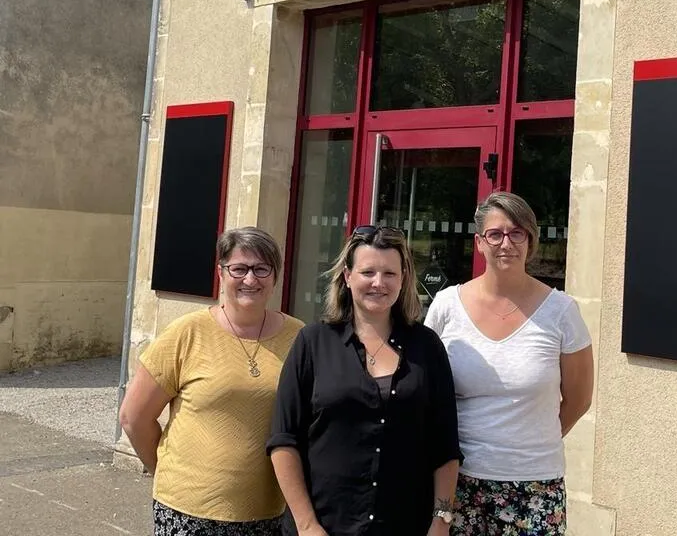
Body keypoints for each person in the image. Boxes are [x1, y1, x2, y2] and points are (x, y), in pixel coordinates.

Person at [268, 225, 462, 536]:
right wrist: (307, 525)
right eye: (368, 272)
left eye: (389, 273)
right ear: (347, 276)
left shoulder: (427, 347)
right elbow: (283, 439)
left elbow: (445, 445)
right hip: (323, 527)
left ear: (403, 279)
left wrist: (441, 522)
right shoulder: (313, 342)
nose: (378, 283)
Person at [424, 191, 595, 536]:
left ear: (530, 241)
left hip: (535, 487)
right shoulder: (446, 306)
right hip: (459, 481)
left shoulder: (561, 312)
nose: (506, 243)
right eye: (495, 234)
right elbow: (426, 391)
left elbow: (579, 399)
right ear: (479, 242)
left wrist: (530, 440)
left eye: (517, 233)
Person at [118, 226, 304, 535]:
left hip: (269, 511)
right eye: (239, 269)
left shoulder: (299, 337)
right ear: (221, 273)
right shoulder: (187, 333)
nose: (250, 279)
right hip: (188, 511)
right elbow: (133, 417)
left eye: (261, 269)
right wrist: (167, 474)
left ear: (275, 276)